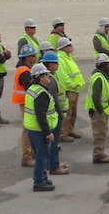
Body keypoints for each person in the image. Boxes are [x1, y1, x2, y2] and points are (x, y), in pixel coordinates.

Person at [23, 63, 58, 192]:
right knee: (42, 157)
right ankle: (39, 181)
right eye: (45, 74)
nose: (48, 76)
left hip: (32, 128)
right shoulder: (41, 93)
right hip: (39, 130)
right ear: (40, 77)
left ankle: (42, 177)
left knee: (39, 155)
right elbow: (41, 115)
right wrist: (48, 132)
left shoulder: (32, 89)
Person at [40, 51, 70, 176]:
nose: (57, 64)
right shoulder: (50, 80)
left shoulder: (49, 77)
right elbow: (54, 99)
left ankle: (51, 163)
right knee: (54, 142)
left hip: (51, 115)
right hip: (54, 115)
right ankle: (54, 166)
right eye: (55, 62)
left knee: (52, 142)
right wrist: (60, 114)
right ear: (50, 64)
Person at [85, 53, 109, 164]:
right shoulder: (99, 78)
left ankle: (100, 153)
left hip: (100, 110)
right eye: (108, 64)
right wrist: (100, 110)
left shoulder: (100, 76)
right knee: (99, 133)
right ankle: (98, 155)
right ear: (103, 65)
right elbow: (96, 96)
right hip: (98, 112)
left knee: (101, 132)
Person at [12, 44, 39, 166]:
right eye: (33, 55)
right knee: (28, 129)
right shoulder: (25, 72)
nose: (35, 57)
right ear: (27, 57)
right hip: (26, 103)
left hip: (24, 102)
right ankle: (27, 156)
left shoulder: (23, 69)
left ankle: (30, 153)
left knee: (29, 128)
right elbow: (30, 89)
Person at [55, 37, 84, 141]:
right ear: (63, 48)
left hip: (75, 90)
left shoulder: (68, 57)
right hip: (69, 90)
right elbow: (63, 77)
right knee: (67, 112)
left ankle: (70, 130)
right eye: (69, 45)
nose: (72, 47)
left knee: (73, 112)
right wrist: (73, 85)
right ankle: (63, 134)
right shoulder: (60, 59)